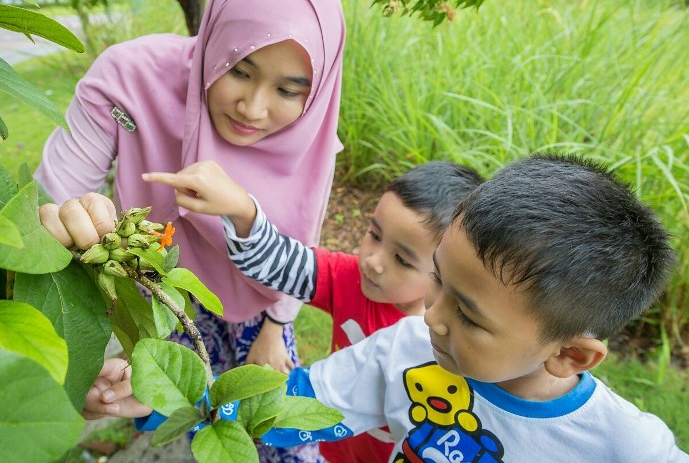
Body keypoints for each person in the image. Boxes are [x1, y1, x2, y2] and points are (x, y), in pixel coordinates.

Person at [86, 153, 688, 461]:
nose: (433, 316)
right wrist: (176, 398)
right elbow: (292, 406)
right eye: (439, 282)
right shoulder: (403, 353)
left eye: (470, 315)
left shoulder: (625, 446)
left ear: (572, 354)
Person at [36, 0, 346, 461]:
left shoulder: (314, 128)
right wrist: (64, 219)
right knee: (168, 410)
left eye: (289, 91)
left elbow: (303, 228)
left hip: (258, 301)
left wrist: (275, 325)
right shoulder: (129, 80)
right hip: (159, 286)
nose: (254, 107)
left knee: (268, 425)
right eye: (239, 70)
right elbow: (54, 195)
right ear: (214, 38)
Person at [140, 159, 484, 462]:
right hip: (333, 444)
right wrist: (242, 210)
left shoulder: (438, 344)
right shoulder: (349, 278)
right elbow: (283, 261)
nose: (374, 261)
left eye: (402, 259)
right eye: (374, 234)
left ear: (445, 271)